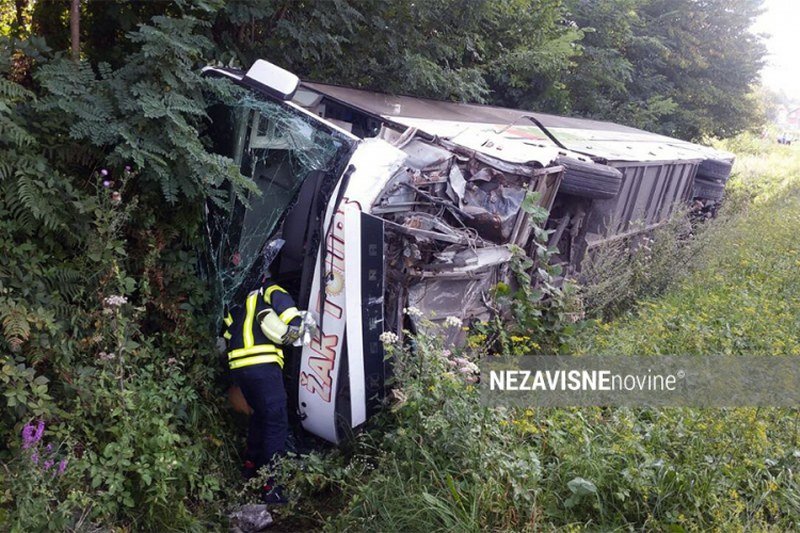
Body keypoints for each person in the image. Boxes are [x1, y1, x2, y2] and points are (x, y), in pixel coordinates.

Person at [223, 279, 305, 504]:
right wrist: (297, 326)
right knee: (276, 423)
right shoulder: (268, 288)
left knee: (260, 416)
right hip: (263, 364)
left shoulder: (237, 295)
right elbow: (288, 312)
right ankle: (272, 487)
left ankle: (250, 467)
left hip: (239, 367)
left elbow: (228, 334)